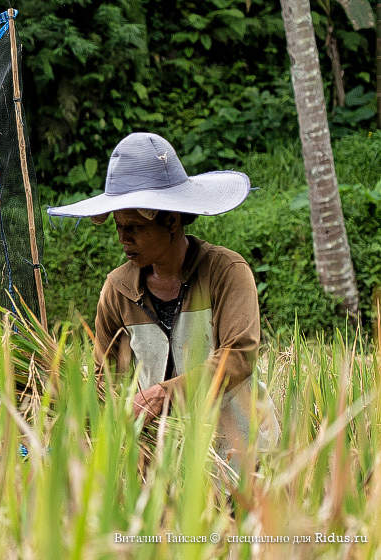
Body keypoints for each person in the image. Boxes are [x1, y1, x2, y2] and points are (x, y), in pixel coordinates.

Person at [47, 132, 279, 470]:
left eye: (135, 228)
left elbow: (239, 357)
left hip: (240, 453)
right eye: (118, 227)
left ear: (171, 221)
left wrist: (166, 393)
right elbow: (107, 378)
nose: (123, 239)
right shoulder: (118, 291)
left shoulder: (225, 272)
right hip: (166, 464)